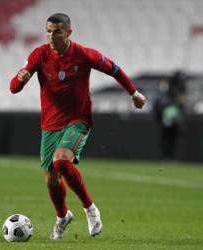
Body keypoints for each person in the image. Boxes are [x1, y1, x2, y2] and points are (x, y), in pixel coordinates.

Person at [10, 13, 146, 240]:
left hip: (78, 119)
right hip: (50, 125)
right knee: (52, 180)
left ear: (69, 33)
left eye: (57, 32)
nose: (51, 36)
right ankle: (63, 216)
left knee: (61, 160)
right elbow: (13, 88)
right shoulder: (39, 55)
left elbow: (114, 69)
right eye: (48, 31)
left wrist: (134, 93)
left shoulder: (83, 54)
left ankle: (90, 209)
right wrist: (20, 79)